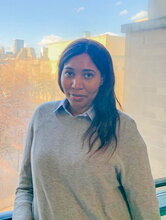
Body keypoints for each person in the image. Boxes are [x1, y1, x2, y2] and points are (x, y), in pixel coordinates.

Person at [13, 39, 160, 220]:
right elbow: (25, 187)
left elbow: (145, 206)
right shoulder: (41, 116)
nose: (76, 84)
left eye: (88, 75)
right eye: (69, 73)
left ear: (102, 79)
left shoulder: (123, 128)